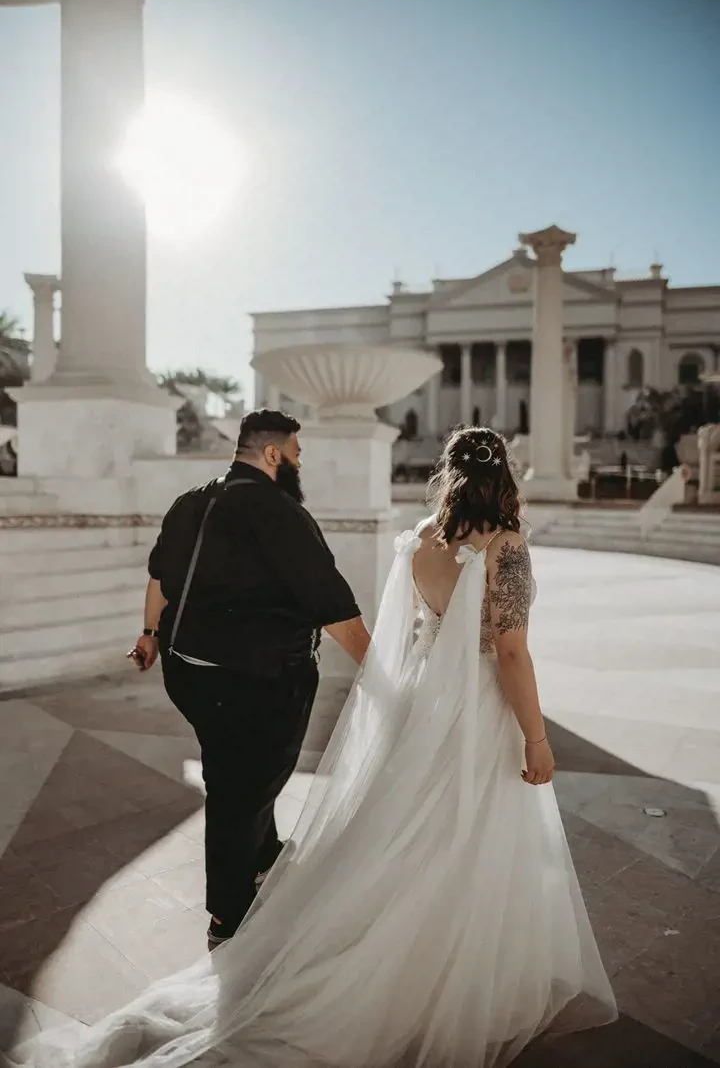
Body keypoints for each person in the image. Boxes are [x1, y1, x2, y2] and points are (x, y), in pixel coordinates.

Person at [13, 426, 616, 1068]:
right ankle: (450, 966)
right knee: (467, 832)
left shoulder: (419, 539)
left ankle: (390, 943)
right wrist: (536, 738)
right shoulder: (506, 546)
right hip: (476, 706)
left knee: (413, 829)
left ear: (449, 474)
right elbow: (512, 652)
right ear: (504, 478)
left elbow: (412, 630)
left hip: (426, 700)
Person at [131, 409, 371, 945]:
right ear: (272, 454)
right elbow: (335, 609)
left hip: (187, 672)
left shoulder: (190, 501)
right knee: (243, 789)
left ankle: (264, 854)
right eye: (296, 454)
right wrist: (384, 673)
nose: (299, 464)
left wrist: (148, 635)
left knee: (234, 770)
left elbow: (159, 579)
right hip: (258, 683)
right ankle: (227, 915)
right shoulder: (279, 512)